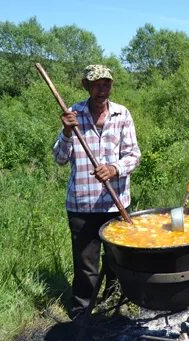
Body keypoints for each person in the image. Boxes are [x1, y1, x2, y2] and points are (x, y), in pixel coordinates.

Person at [53, 64, 141, 320]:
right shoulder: (73, 114)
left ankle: (114, 300)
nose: (102, 89)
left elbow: (134, 155)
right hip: (82, 203)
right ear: (87, 86)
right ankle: (82, 310)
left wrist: (114, 169)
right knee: (85, 263)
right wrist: (67, 132)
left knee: (117, 258)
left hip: (115, 203)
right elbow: (59, 158)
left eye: (106, 84)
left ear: (111, 86)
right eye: (96, 84)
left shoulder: (122, 114)